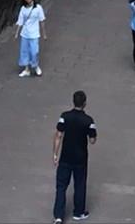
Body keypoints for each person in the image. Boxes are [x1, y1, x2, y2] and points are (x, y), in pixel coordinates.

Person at [52, 89, 96, 222]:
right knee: (80, 184)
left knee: (61, 186)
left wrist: (55, 154)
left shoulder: (64, 117)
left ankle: (58, 216)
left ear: (73, 102)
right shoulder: (88, 120)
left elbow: (58, 135)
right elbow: (92, 140)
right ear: (85, 103)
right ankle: (78, 212)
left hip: (65, 156)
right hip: (80, 158)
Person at [16, 0, 46, 77]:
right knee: (24, 52)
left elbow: (42, 20)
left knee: (34, 52)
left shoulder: (38, 8)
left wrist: (44, 33)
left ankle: (36, 66)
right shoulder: (23, 8)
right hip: (25, 34)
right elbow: (20, 21)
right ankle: (27, 69)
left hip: (34, 34)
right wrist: (17, 33)